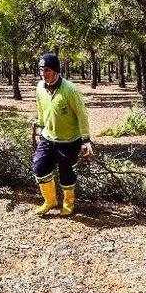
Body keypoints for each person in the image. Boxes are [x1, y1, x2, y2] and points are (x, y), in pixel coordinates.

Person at [32, 53, 93, 216]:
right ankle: (50, 201)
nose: (44, 74)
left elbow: (82, 114)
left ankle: (68, 203)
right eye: (41, 70)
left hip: (69, 140)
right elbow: (40, 108)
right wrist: (40, 126)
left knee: (65, 170)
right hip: (47, 137)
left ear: (56, 71)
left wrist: (86, 139)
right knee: (39, 167)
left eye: (47, 70)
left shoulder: (70, 90)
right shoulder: (39, 87)